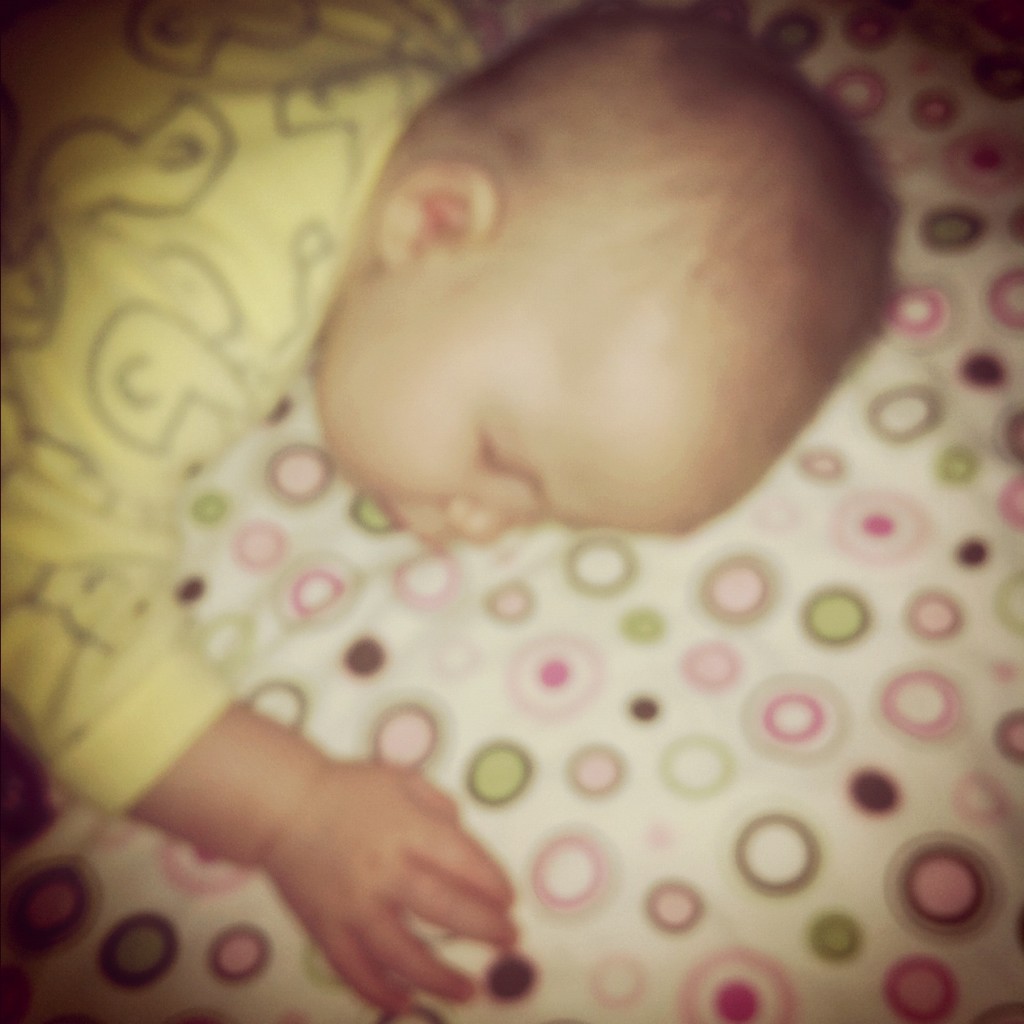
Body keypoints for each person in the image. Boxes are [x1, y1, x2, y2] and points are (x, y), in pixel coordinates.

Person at [0, 0, 894, 1013]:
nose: (486, 524)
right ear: (431, 223)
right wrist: (289, 809)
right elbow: (40, 584)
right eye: (500, 456)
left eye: (555, 519)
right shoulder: (171, 314)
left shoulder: (432, 60)